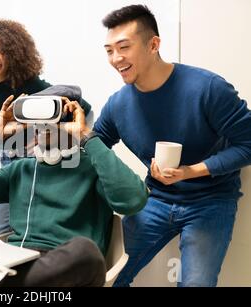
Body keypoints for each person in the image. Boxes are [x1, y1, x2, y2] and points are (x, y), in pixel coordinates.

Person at [94, 4, 251, 287]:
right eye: (109, 50)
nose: (116, 58)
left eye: (124, 47)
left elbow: (248, 144)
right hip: (154, 198)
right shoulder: (118, 105)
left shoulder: (208, 88)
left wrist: (191, 171)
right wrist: (74, 134)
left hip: (211, 201)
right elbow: (94, 149)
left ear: (153, 44)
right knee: (105, 277)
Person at [0, 91, 148, 287]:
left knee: (86, 251)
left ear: (71, 120)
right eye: (37, 118)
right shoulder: (21, 169)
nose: (43, 125)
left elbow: (134, 200)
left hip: (66, 270)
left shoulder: (93, 167)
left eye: (52, 116)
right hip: (19, 262)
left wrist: (86, 136)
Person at [0, 19, 92, 236]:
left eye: (0, 51)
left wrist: (68, 138)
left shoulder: (29, 84)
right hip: (7, 160)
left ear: (13, 54)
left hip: (35, 162)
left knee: (35, 226)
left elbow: (83, 107)